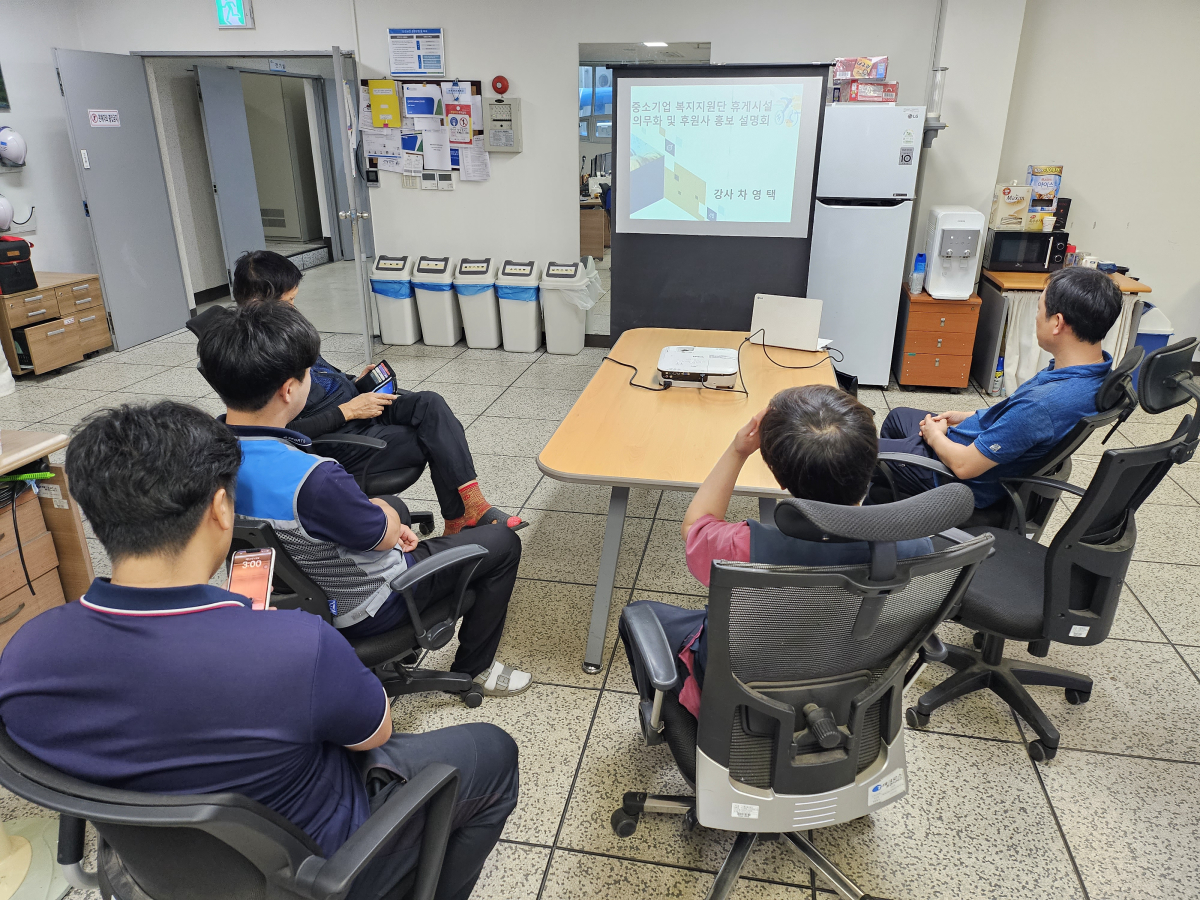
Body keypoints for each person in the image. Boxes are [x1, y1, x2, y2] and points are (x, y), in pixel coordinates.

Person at [0, 401, 519, 900]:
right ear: (220, 509)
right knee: (494, 752)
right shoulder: (295, 645)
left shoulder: (25, 656)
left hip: (151, 874)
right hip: (316, 868)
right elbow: (375, 732)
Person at [199, 300, 531, 696]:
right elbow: (385, 538)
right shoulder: (313, 476)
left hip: (290, 595)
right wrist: (387, 516)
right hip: (368, 606)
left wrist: (383, 513)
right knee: (502, 543)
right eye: (308, 374)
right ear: (288, 390)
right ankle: (475, 669)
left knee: (393, 507)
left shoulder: (201, 456)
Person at [620, 385, 935, 718]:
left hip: (744, 699)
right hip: (850, 691)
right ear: (871, 461)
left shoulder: (744, 548)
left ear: (779, 479)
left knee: (641, 614)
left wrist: (738, 450)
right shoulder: (915, 548)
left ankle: (675, 718)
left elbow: (695, 526)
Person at [192, 249, 524, 535]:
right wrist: (348, 410)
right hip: (339, 432)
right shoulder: (262, 357)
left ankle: (468, 510)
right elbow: (282, 429)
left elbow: (319, 372)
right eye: (289, 301)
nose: (294, 308)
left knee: (431, 405)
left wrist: (353, 381)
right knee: (437, 437)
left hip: (355, 404)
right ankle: (461, 517)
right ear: (259, 301)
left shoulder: (281, 331)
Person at [877, 266, 1123, 507]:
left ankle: (895, 501)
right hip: (973, 448)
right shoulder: (1094, 372)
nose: (1036, 317)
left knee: (859, 453)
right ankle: (896, 501)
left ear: (1057, 323)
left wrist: (935, 437)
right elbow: (1016, 418)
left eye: (1039, 309)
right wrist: (967, 416)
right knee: (898, 418)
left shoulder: (1042, 405)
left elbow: (963, 466)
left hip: (954, 476)